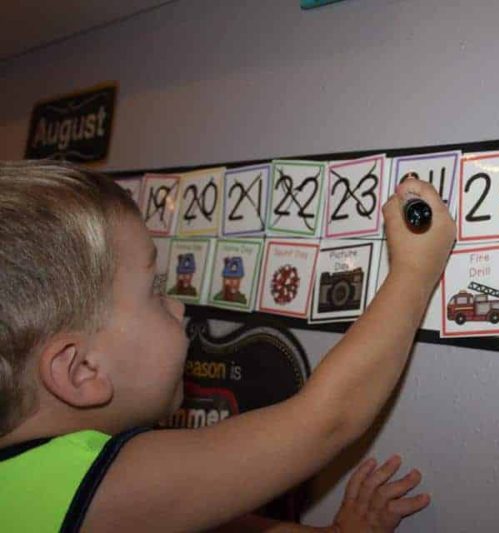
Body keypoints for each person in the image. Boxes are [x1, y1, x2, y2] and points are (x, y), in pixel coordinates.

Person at [0, 160, 456, 531]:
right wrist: (416, 270)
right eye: (155, 291)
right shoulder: (79, 490)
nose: (179, 308)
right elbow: (327, 420)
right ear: (80, 370)